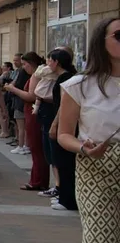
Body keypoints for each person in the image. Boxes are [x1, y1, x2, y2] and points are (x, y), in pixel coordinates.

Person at [57, 17, 120, 243]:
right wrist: (83, 146)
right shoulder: (79, 85)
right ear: (102, 41)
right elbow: (64, 134)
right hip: (96, 172)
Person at [5, 52, 49, 191]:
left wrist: (13, 89)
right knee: (37, 148)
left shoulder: (35, 75)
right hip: (32, 111)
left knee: (36, 147)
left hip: (33, 112)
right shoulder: (37, 75)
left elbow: (31, 95)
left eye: (25, 64)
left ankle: (37, 180)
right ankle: (39, 179)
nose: (24, 67)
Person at [45, 48, 77, 211]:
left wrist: (55, 124)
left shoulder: (66, 79)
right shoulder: (63, 77)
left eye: (50, 60)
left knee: (64, 162)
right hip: (62, 122)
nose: (48, 63)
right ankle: (64, 195)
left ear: (57, 62)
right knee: (60, 161)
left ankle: (67, 199)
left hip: (63, 124)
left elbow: (64, 105)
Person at [10, 52, 30, 153]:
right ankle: (26, 145)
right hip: (24, 102)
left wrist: (11, 87)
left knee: (21, 126)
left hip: (19, 101)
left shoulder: (22, 72)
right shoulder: (27, 72)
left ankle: (21, 145)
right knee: (25, 127)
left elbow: (15, 85)